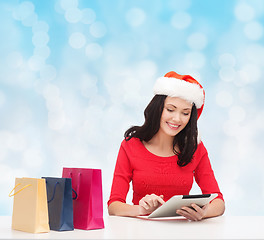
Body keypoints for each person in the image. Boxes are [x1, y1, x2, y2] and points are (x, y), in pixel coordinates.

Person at [107, 71, 225, 221]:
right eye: (170, 109)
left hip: (181, 231)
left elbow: (219, 202)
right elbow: (114, 205)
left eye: (185, 113)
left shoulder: (195, 148)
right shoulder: (131, 146)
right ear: (158, 108)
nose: (177, 119)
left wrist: (204, 212)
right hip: (140, 230)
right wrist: (142, 209)